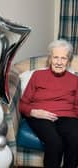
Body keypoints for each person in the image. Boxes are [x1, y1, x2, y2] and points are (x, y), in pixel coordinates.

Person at [19, 39, 78, 168]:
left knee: (75, 140)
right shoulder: (37, 75)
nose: (59, 62)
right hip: (40, 115)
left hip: (67, 116)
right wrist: (34, 112)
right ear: (50, 58)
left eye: (63, 58)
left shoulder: (75, 80)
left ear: (68, 61)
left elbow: (77, 107)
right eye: (56, 57)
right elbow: (23, 104)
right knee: (55, 142)